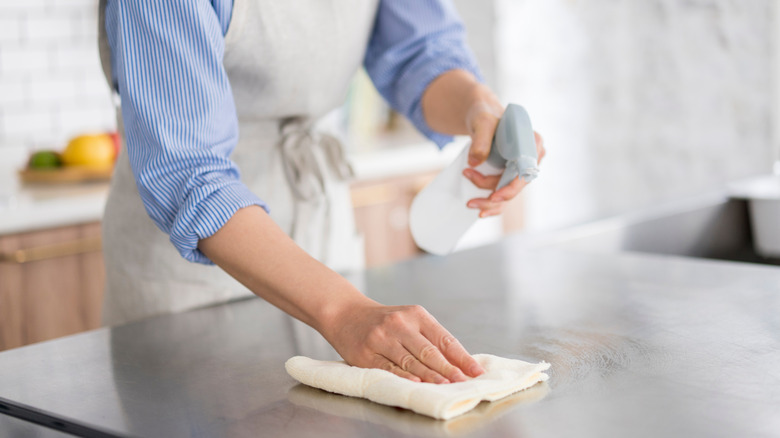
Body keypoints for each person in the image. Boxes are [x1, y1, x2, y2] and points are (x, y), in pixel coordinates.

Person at [98, 0, 545, 385]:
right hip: (190, 274)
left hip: (324, 233)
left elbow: (418, 53)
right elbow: (188, 171)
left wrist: (476, 105)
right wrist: (345, 311)